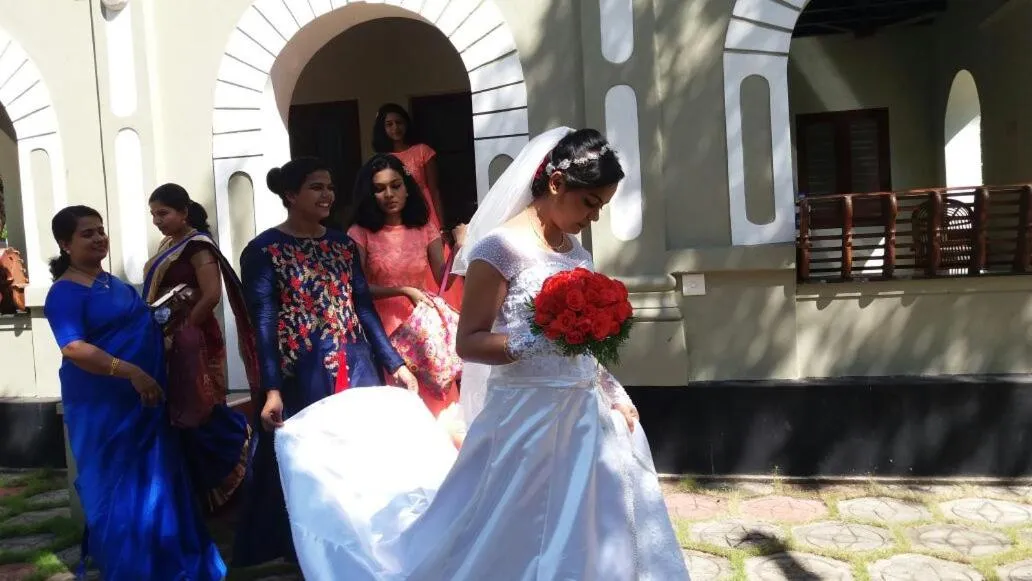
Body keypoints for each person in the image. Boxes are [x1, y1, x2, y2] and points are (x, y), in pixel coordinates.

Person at [272, 129, 690, 579]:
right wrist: (534, 340)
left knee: (593, 517)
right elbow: (467, 341)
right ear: (555, 184)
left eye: (601, 207)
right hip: (526, 414)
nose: (593, 217)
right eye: (589, 203)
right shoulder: (500, 249)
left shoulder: (576, 252)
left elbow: (583, 343)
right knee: (516, 523)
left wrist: (611, 387)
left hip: (583, 409)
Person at [231, 157, 419, 567]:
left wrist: (396, 364)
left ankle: (359, 541)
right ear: (290, 195)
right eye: (316, 187)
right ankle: (304, 548)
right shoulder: (263, 251)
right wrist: (272, 388)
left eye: (329, 187)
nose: (327, 195)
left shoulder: (342, 245)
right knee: (308, 463)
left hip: (355, 363)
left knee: (357, 457)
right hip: (302, 369)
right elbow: (262, 321)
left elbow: (364, 309)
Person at [42, 205, 225, 581]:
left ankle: (173, 563)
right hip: (105, 408)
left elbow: (144, 325)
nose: (97, 238)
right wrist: (129, 372)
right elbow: (73, 348)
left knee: (158, 481)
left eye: (100, 230)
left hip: (147, 400)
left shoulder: (115, 284)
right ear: (65, 243)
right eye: (86, 233)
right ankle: (134, 570)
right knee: (117, 487)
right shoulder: (64, 293)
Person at [143, 183, 258, 514]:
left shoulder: (197, 247)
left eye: (162, 213)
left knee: (200, 409)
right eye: (153, 214)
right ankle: (196, 496)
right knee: (177, 410)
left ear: (184, 212)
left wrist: (186, 329)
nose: (157, 220)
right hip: (168, 336)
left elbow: (211, 295)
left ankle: (237, 471)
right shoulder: (170, 244)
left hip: (193, 339)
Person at [348, 154, 464, 441]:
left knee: (442, 410)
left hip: (423, 332)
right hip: (383, 332)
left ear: (408, 187)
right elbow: (355, 287)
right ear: (369, 193)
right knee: (400, 415)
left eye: (395, 185)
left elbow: (443, 278)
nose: (389, 194)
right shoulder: (360, 233)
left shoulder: (424, 227)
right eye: (379, 188)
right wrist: (402, 290)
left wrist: (460, 246)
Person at [372, 103, 467, 309]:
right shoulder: (382, 159)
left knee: (434, 262)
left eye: (399, 122)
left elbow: (434, 189)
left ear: (406, 124)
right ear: (383, 128)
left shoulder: (422, 151)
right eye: (389, 124)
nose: (395, 128)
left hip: (425, 211)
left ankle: (438, 308)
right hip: (396, 216)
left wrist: (440, 226)